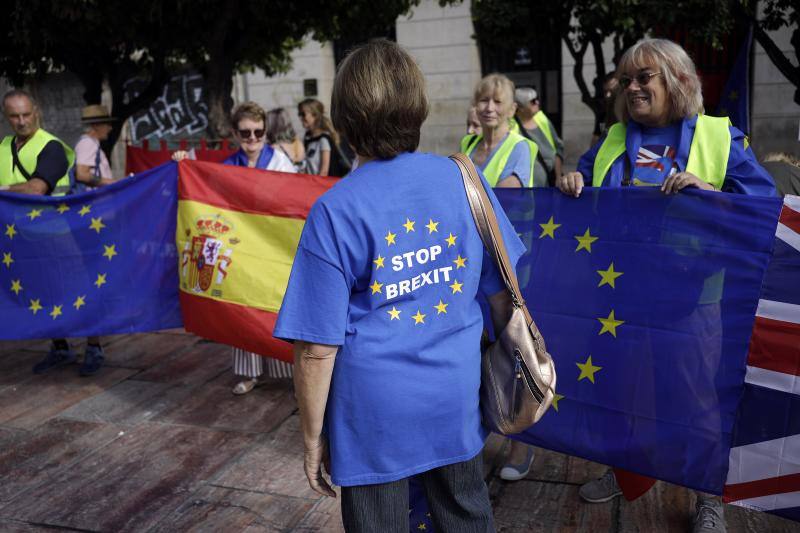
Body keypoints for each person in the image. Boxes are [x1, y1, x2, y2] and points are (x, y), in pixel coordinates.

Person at [274, 39, 526, 533]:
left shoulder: (335, 209)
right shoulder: (463, 179)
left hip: (373, 420)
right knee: (467, 518)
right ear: (418, 107)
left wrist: (310, 438)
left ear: (343, 121)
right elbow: (503, 295)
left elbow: (317, 350)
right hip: (454, 398)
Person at [557, 38, 775, 533]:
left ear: (677, 81)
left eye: (644, 77)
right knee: (622, 394)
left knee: (696, 400)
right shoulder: (613, 139)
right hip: (621, 297)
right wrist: (572, 182)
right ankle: (628, 473)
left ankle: (706, 498)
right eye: (626, 79)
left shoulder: (721, 138)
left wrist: (710, 191)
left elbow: (765, 205)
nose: (632, 87)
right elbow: (585, 184)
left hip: (691, 299)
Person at [174, 101, 296, 393]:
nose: (252, 139)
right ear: (234, 133)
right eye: (245, 133)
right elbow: (208, 190)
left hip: (273, 247)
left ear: (266, 131)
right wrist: (183, 163)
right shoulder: (229, 166)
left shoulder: (280, 161)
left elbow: (294, 199)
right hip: (243, 249)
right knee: (242, 304)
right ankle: (249, 372)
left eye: (258, 132)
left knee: (275, 304)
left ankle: (286, 366)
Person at [0, 89, 107, 376]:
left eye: (26, 114)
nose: (22, 121)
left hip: (57, 234)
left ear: (36, 112)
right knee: (41, 293)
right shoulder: (4, 147)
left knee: (76, 290)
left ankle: (94, 347)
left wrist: (4, 190)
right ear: (6, 117)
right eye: (14, 116)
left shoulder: (51, 147)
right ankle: (60, 347)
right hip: (21, 235)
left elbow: (37, 189)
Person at [460, 74, 538, 188]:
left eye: (497, 102)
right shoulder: (467, 142)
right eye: (484, 100)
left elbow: (505, 196)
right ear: (476, 106)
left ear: (512, 109)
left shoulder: (519, 147)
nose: (489, 108)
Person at [513, 87, 565, 186]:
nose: (537, 102)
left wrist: (558, 176)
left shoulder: (542, 119)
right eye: (532, 101)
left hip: (549, 183)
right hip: (527, 187)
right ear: (520, 108)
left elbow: (558, 148)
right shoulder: (511, 127)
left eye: (537, 99)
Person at [298, 98, 351, 177]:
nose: (300, 117)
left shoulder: (324, 139)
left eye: (303, 114)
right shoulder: (308, 137)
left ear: (314, 115)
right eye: (299, 114)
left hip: (322, 187)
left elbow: (324, 172)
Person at [73, 104, 117, 191]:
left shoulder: (91, 143)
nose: (110, 128)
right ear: (96, 125)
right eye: (107, 124)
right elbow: (81, 174)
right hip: (95, 200)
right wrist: (112, 182)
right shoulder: (87, 143)